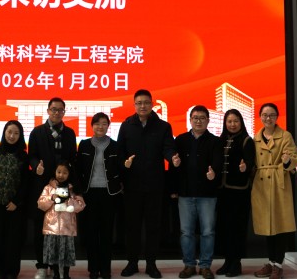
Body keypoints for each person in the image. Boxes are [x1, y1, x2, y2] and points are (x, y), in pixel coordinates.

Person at [117, 89, 177, 279]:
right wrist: (124, 164)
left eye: (146, 102)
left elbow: (168, 148)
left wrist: (172, 157)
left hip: (154, 185)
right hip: (132, 185)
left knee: (153, 227)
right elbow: (120, 152)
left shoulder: (163, 127)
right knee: (132, 227)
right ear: (134, 105)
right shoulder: (126, 126)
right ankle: (132, 263)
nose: (142, 106)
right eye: (139, 103)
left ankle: (151, 264)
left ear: (152, 104)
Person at [171, 105, 223, 279]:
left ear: (208, 120)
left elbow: (218, 164)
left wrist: (214, 174)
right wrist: (174, 186)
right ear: (190, 120)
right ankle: (189, 265)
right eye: (195, 118)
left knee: (207, 232)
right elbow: (175, 166)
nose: (198, 121)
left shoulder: (215, 141)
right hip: (185, 194)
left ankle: (205, 266)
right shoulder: (181, 139)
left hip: (207, 194)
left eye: (202, 118)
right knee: (186, 232)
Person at [29, 97, 77, 279]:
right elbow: (32, 155)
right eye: (53, 109)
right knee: (40, 227)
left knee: (60, 228)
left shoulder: (70, 133)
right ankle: (42, 265)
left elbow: (73, 158)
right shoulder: (37, 132)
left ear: (64, 112)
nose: (57, 113)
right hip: (42, 185)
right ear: (48, 111)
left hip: (63, 186)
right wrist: (36, 167)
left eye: (60, 110)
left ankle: (58, 266)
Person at [251, 103, 297, 279]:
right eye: (265, 115)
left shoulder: (285, 135)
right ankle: (271, 262)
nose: (268, 118)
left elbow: (296, 158)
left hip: (279, 184)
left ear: (277, 117)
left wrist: (287, 161)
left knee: (279, 225)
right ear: (260, 117)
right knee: (267, 226)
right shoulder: (255, 138)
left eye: (272, 115)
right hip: (261, 185)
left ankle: (278, 265)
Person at [75, 113, 123, 279]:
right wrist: (78, 191)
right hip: (89, 193)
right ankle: (93, 269)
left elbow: (121, 169)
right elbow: (77, 169)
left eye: (104, 124)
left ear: (108, 126)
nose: (100, 127)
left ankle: (105, 269)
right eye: (97, 124)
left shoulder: (116, 146)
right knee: (91, 232)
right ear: (92, 126)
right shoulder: (84, 145)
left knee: (106, 232)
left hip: (109, 194)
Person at [0, 120, 30, 279]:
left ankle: (11, 271)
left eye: (16, 133)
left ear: (20, 136)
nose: (12, 136)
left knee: (13, 239)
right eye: (9, 132)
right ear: (4, 133)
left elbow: (25, 182)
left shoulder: (23, 156)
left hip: (14, 205)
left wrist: (16, 201)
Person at [215, 109, 255, 277]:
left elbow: (251, 162)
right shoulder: (220, 140)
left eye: (236, 121)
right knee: (224, 227)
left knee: (237, 228)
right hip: (223, 192)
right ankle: (227, 261)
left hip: (239, 192)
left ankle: (236, 263)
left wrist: (245, 167)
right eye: (229, 121)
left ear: (241, 122)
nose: (232, 124)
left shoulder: (247, 140)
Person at [37, 161, 86, 279]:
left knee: (66, 253)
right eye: (59, 172)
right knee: (53, 252)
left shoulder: (72, 188)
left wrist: (70, 200)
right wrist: (51, 198)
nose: (61, 175)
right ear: (54, 172)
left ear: (69, 174)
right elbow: (40, 204)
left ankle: (66, 274)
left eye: (65, 172)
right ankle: (56, 273)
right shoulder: (48, 188)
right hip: (51, 227)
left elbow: (81, 205)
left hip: (67, 228)